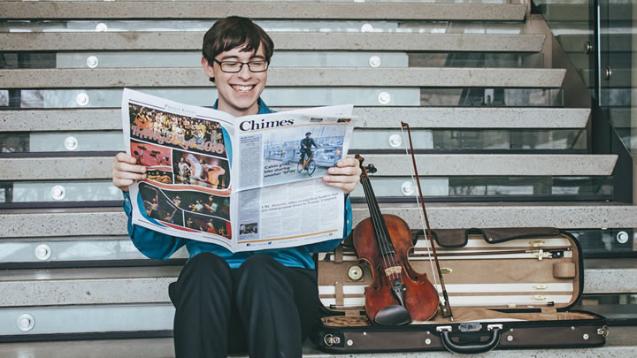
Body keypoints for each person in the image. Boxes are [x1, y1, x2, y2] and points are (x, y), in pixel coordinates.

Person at [111, 16, 361, 358]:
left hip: (284, 301)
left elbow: (330, 240)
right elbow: (156, 248)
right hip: (214, 310)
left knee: (261, 269)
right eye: (231, 62)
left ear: (266, 69)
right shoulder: (183, 141)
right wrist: (134, 190)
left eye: (255, 62)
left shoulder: (301, 135)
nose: (245, 75)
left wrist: (339, 194)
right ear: (208, 67)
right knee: (201, 267)